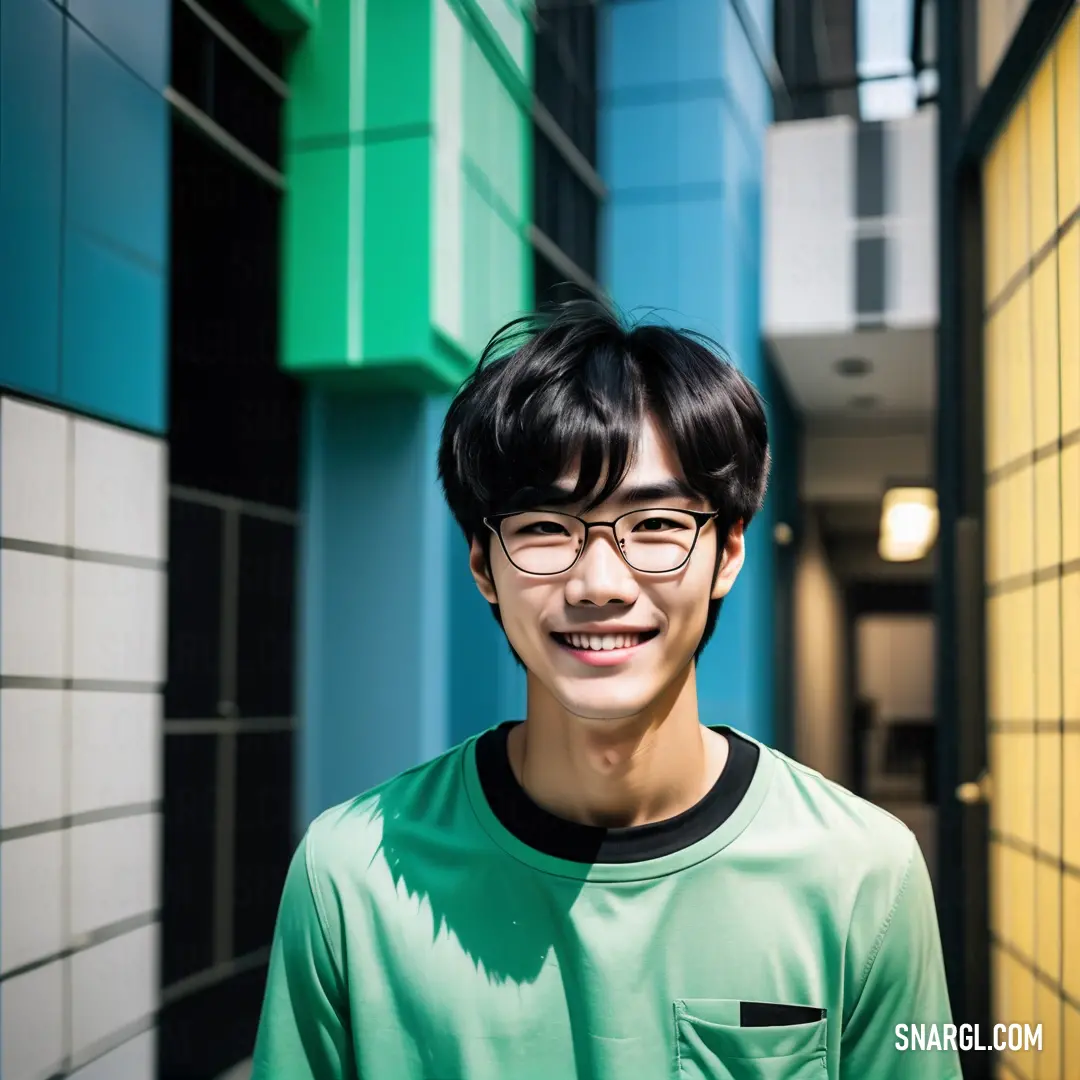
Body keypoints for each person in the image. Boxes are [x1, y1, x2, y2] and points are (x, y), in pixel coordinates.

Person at [250, 300, 961, 1079]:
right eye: (545, 528)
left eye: (655, 523)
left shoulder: (861, 873)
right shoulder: (349, 879)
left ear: (726, 553)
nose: (599, 583)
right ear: (483, 566)